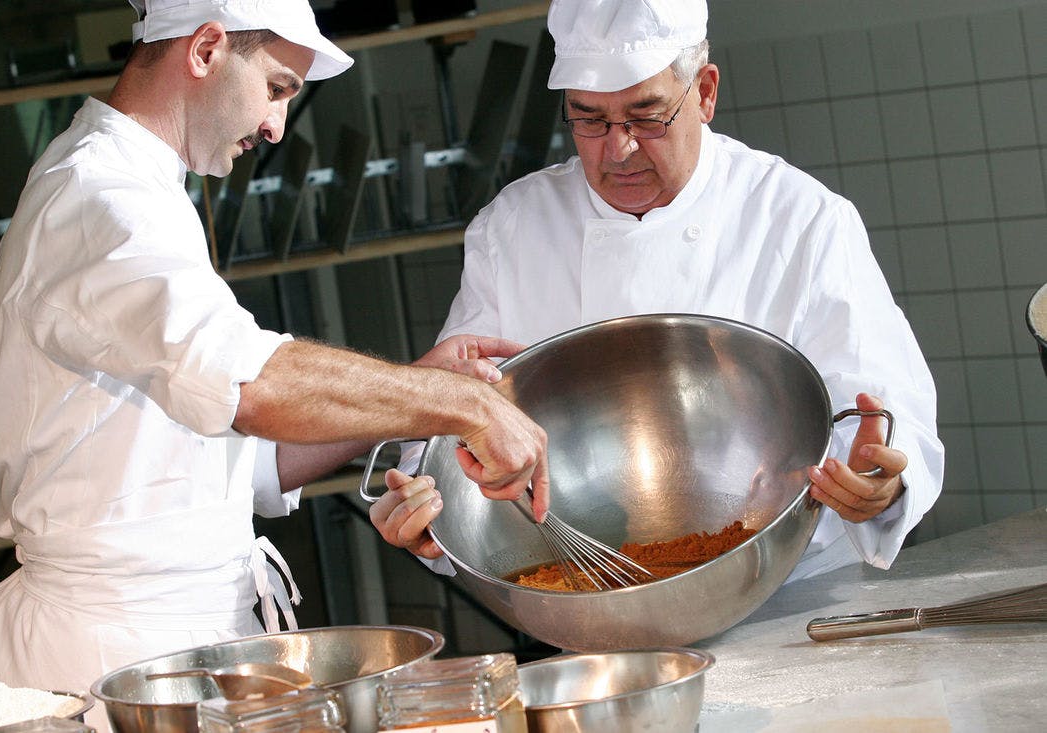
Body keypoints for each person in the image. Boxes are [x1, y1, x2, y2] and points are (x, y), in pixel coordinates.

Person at [0, 0, 549, 728]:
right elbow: (247, 384)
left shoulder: (146, 191)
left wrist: (415, 384)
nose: (276, 127)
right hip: (111, 660)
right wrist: (459, 403)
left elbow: (242, 461)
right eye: (275, 89)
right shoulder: (96, 198)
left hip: (175, 647)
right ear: (206, 49)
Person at [371, 0, 944, 583]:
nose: (617, 150)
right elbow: (452, 417)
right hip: (594, 597)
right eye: (589, 119)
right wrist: (428, 514)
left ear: (705, 92)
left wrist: (880, 483)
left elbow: (887, 419)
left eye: (647, 117)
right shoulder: (512, 229)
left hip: (790, 591)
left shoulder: (799, 219)